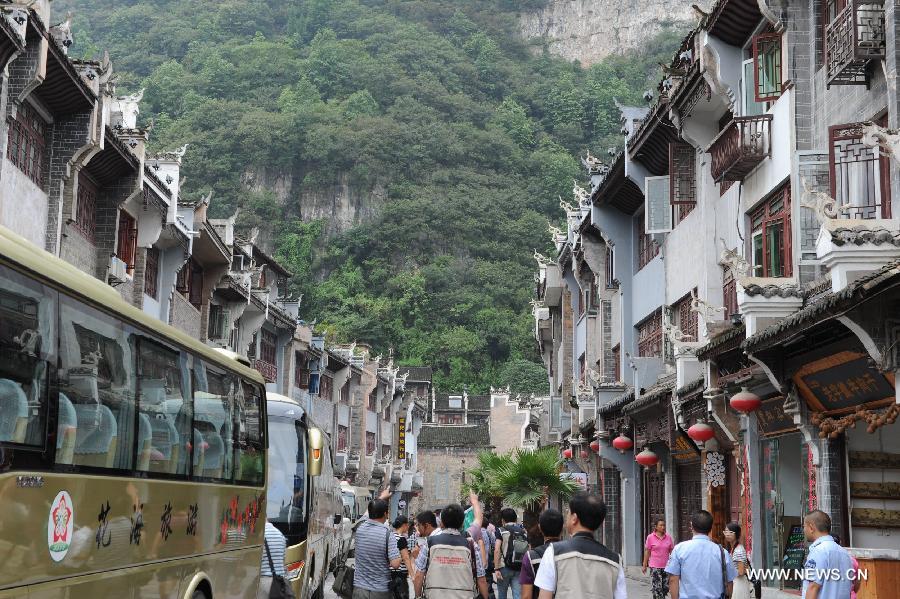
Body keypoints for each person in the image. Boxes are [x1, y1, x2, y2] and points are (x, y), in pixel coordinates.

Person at [534, 493, 626, 599]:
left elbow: (544, 596)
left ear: (574, 518)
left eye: (568, 512)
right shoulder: (615, 561)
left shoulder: (554, 553)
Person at [413, 503, 490, 599]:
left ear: (441, 523)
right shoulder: (470, 544)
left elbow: (419, 575)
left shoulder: (429, 543)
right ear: (462, 523)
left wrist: (417, 596)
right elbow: (481, 578)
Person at [665, 510, 737, 599]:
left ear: (691, 526)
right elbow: (729, 582)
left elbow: (673, 579)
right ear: (711, 528)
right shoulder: (722, 552)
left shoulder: (679, 549)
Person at [353, 491, 402, 599]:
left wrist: (381, 497)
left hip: (359, 589)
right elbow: (395, 564)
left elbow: (366, 514)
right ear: (385, 514)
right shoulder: (388, 534)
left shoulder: (359, 529)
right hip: (380, 591)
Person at [801, 510, 852, 599]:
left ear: (811, 528)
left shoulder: (818, 551)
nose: (804, 530)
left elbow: (813, 587)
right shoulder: (844, 553)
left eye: (804, 526)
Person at [520, 508, 563, 599]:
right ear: (562, 528)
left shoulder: (531, 556)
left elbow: (526, 596)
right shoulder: (570, 553)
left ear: (540, 528)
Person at [494, 508, 526, 599]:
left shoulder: (501, 530)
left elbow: (497, 549)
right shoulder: (523, 531)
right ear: (516, 519)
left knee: (502, 595)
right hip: (519, 567)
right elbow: (528, 549)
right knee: (518, 595)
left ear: (503, 520)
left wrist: (496, 568)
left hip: (504, 567)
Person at [642, 519, 674, 599]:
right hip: (655, 567)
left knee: (665, 588)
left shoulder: (668, 537)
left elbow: (672, 552)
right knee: (657, 588)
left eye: (664, 525)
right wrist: (644, 564)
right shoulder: (650, 537)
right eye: (661, 525)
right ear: (656, 527)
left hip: (666, 567)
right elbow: (647, 551)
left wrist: (674, 564)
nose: (663, 527)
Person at [258, 520, 287, 599]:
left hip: (264, 581)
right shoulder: (280, 535)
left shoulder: (259, 535)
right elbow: (283, 562)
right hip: (280, 583)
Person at [723, 522, 751, 599]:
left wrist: (727, 572)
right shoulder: (734, 548)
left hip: (739, 584)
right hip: (736, 582)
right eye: (725, 531)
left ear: (736, 534)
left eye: (730, 532)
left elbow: (741, 572)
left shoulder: (739, 550)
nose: (727, 534)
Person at [390, 517, 414, 599]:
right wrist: (412, 575)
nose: (408, 527)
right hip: (400, 574)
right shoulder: (401, 538)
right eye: (407, 525)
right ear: (403, 525)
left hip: (389, 573)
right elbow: (406, 558)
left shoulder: (390, 536)